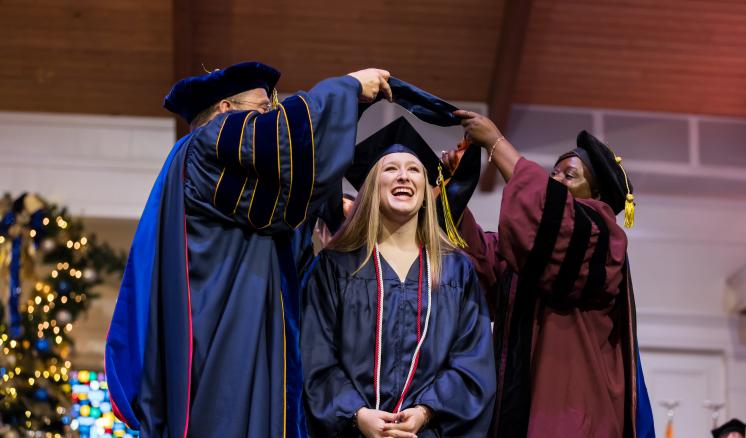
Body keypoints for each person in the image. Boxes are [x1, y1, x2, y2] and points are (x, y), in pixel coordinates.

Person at [105, 61, 393, 438]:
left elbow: (279, 208)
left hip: (246, 327)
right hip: (221, 340)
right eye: (262, 111)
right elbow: (285, 140)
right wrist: (347, 88)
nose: (270, 118)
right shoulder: (207, 143)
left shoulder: (216, 172)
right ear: (226, 110)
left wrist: (325, 211)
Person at [445, 110, 655, 437]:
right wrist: (453, 189)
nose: (554, 181)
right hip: (519, 404)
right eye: (553, 174)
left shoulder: (601, 239)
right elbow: (483, 264)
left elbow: (553, 215)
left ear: (597, 196)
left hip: (575, 412)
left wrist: (496, 143)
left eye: (568, 176)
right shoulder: (538, 251)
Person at [301, 117, 496, 437]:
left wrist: (426, 411)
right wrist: (356, 413)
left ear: (425, 192)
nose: (403, 175)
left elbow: (473, 363)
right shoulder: (335, 268)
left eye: (414, 169)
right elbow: (315, 356)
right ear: (371, 187)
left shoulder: (455, 272)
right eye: (390, 169)